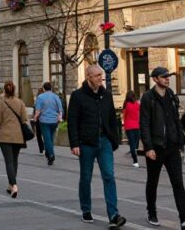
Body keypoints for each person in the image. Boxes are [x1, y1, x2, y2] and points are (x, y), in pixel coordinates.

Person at [140, 67, 185, 229]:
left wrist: (180, 141)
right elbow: (144, 123)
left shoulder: (172, 96)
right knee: (153, 181)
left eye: (168, 76)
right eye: (164, 76)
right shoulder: (148, 97)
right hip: (156, 147)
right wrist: (148, 147)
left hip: (172, 147)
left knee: (178, 183)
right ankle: (151, 212)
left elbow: (176, 120)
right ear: (155, 79)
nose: (167, 79)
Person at [68, 64, 126, 227]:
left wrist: (114, 139)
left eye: (101, 75)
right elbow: (72, 121)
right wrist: (74, 143)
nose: (101, 78)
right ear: (89, 77)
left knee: (109, 176)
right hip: (86, 143)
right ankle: (86, 209)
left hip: (104, 141)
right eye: (97, 75)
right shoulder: (78, 96)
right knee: (86, 177)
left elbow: (112, 118)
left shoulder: (106, 95)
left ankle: (113, 215)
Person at [0, 80, 28, 199]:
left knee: (9, 161)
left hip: (5, 136)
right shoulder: (20, 102)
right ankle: (10, 185)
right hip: (18, 136)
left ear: (5, 91)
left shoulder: (1, 103)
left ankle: (14, 185)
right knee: (14, 160)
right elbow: (24, 119)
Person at [33, 82, 62, 166]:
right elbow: (60, 109)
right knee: (51, 138)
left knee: (47, 139)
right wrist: (59, 118)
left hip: (44, 121)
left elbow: (38, 110)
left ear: (44, 88)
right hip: (54, 120)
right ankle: (48, 152)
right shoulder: (56, 96)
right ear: (51, 88)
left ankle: (51, 155)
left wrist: (35, 117)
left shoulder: (40, 97)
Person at [122, 90, 141, 168]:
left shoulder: (126, 104)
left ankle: (135, 161)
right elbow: (140, 113)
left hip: (129, 127)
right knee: (135, 143)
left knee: (132, 143)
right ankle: (134, 152)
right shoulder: (137, 104)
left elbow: (124, 115)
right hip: (137, 126)